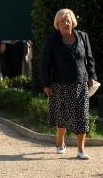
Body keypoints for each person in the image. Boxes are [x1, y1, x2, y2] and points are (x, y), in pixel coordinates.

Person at [41, 8, 97, 160]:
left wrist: (92, 76)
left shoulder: (83, 37)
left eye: (68, 20)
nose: (66, 23)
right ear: (57, 24)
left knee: (82, 116)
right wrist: (46, 84)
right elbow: (45, 63)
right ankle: (60, 142)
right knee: (62, 116)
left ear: (73, 22)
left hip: (80, 83)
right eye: (62, 21)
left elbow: (90, 59)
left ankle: (81, 150)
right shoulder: (52, 40)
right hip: (60, 83)